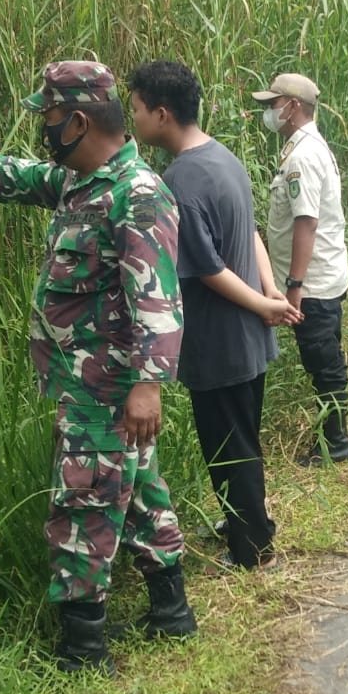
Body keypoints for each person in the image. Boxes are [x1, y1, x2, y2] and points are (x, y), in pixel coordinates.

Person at [0, 60, 195, 675]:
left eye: (51, 117)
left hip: (106, 387)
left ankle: (82, 650)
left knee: (84, 503)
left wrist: (147, 386)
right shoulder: (79, 182)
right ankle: (171, 611)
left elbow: (158, 299)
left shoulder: (135, 193)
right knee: (138, 491)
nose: (44, 128)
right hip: (92, 384)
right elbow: (23, 175)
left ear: (79, 120)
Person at [126, 60, 300, 570]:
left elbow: (207, 269)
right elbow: (249, 234)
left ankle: (253, 553)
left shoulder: (180, 179)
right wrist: (268, 294)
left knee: (230, 447)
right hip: (248, 335)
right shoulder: (223, 157)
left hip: (220, 342)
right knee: (244, 435)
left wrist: (263, 300)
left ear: (162, 114)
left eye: (136, 109)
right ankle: (253, 523)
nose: (131, 118)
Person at [252, 73, 348, 465]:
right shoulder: (307, 148)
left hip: (312, 283)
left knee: (321, 359)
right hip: (320, 275)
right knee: (325, 356)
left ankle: (336, 442)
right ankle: (333, 434)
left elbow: (306, 223)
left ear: (293, 106)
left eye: (273, 104)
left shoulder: (303, 156)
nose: (270, 112)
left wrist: (294, 285)